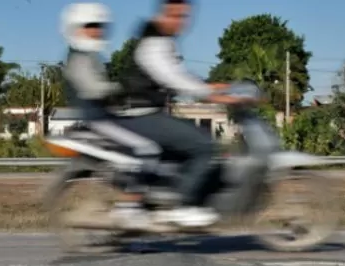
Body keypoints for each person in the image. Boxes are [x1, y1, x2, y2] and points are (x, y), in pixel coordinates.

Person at [116, 0, 252, 227]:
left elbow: (180, 75)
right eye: (176, 15)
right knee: (204, 144)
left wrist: (216, 86)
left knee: (187, 145)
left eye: (184, 16)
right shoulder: (154, 43)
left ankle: (162, 203)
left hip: (148, 113)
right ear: (163, 15)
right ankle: (184, 205)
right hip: (141, 115)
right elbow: (173, 78)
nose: (181, 22)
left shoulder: (162, 41)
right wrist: (212, 94)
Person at [59, 2, 159, 229]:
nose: (97, 31)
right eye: (91, 26)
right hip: (98, 120)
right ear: (76, 28)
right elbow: (94, 89)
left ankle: (141, 214)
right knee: (146, 149)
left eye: (99, 26)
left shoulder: (90, 56)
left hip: (106, 116)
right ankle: (129, 210)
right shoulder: (79, 58)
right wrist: (120, 88)